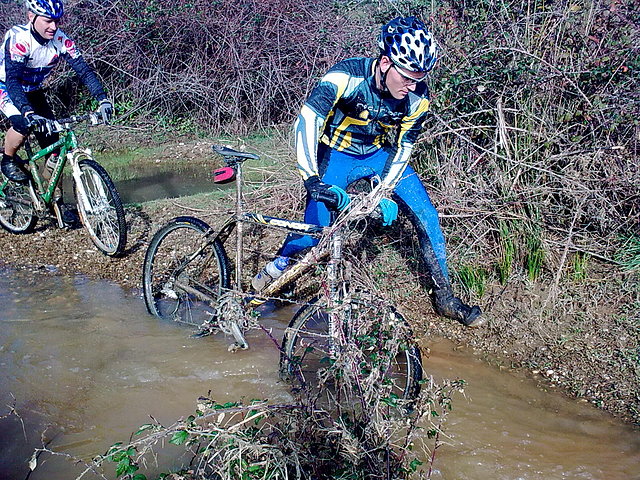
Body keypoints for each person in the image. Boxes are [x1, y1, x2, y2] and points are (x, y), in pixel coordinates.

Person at [253, 16, 484, 327]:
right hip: (335, 154)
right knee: (317, 231)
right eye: (407, 77)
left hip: (377, 155)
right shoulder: (345, 77)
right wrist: (310, 178)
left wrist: (383, 192)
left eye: (419, 78)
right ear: (386, 62)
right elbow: (306, 122)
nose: (412, 85)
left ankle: (445, 298)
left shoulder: (417, 97)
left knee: (427, 215)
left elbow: (403, 147)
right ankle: (282, 265)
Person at [0, 0, 113, 221]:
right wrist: (26, 112)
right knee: (22, 124)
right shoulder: (19, 39)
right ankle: (7, 159)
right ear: (31, 17)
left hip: (32, 90)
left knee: (53, 146)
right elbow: (12, 81)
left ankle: (55, 202)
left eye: (57, 21)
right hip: (5, 86)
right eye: (48, 21)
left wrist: (102, 99)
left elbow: (85, 72)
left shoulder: (61, 40)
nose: (53, 26)